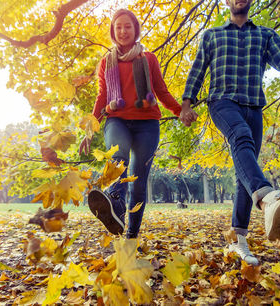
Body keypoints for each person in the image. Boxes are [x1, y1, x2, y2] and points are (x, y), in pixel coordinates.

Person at [182, 0, 280, 265]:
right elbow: (197, 70)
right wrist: (186, 104)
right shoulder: (213, 35)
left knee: (244, 174)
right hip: (222, 102)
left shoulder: (265, 34)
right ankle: (269, 200)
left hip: (254, 106)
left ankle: (239, 242)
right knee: (241, 137)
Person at [79, 9, 198, 238]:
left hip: (147, 124)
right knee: (118, 156)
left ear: (135, 30)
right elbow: (102, 96)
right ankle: (115, 204)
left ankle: (131, 234)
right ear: (113, 32)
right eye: (118, 27)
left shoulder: (149, 59)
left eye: (128, 26)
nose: (123, 31)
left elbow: (161, 91)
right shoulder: (106, 62)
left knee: (139, 182)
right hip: (117, 120)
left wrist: (179, 111)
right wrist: (91, 127)